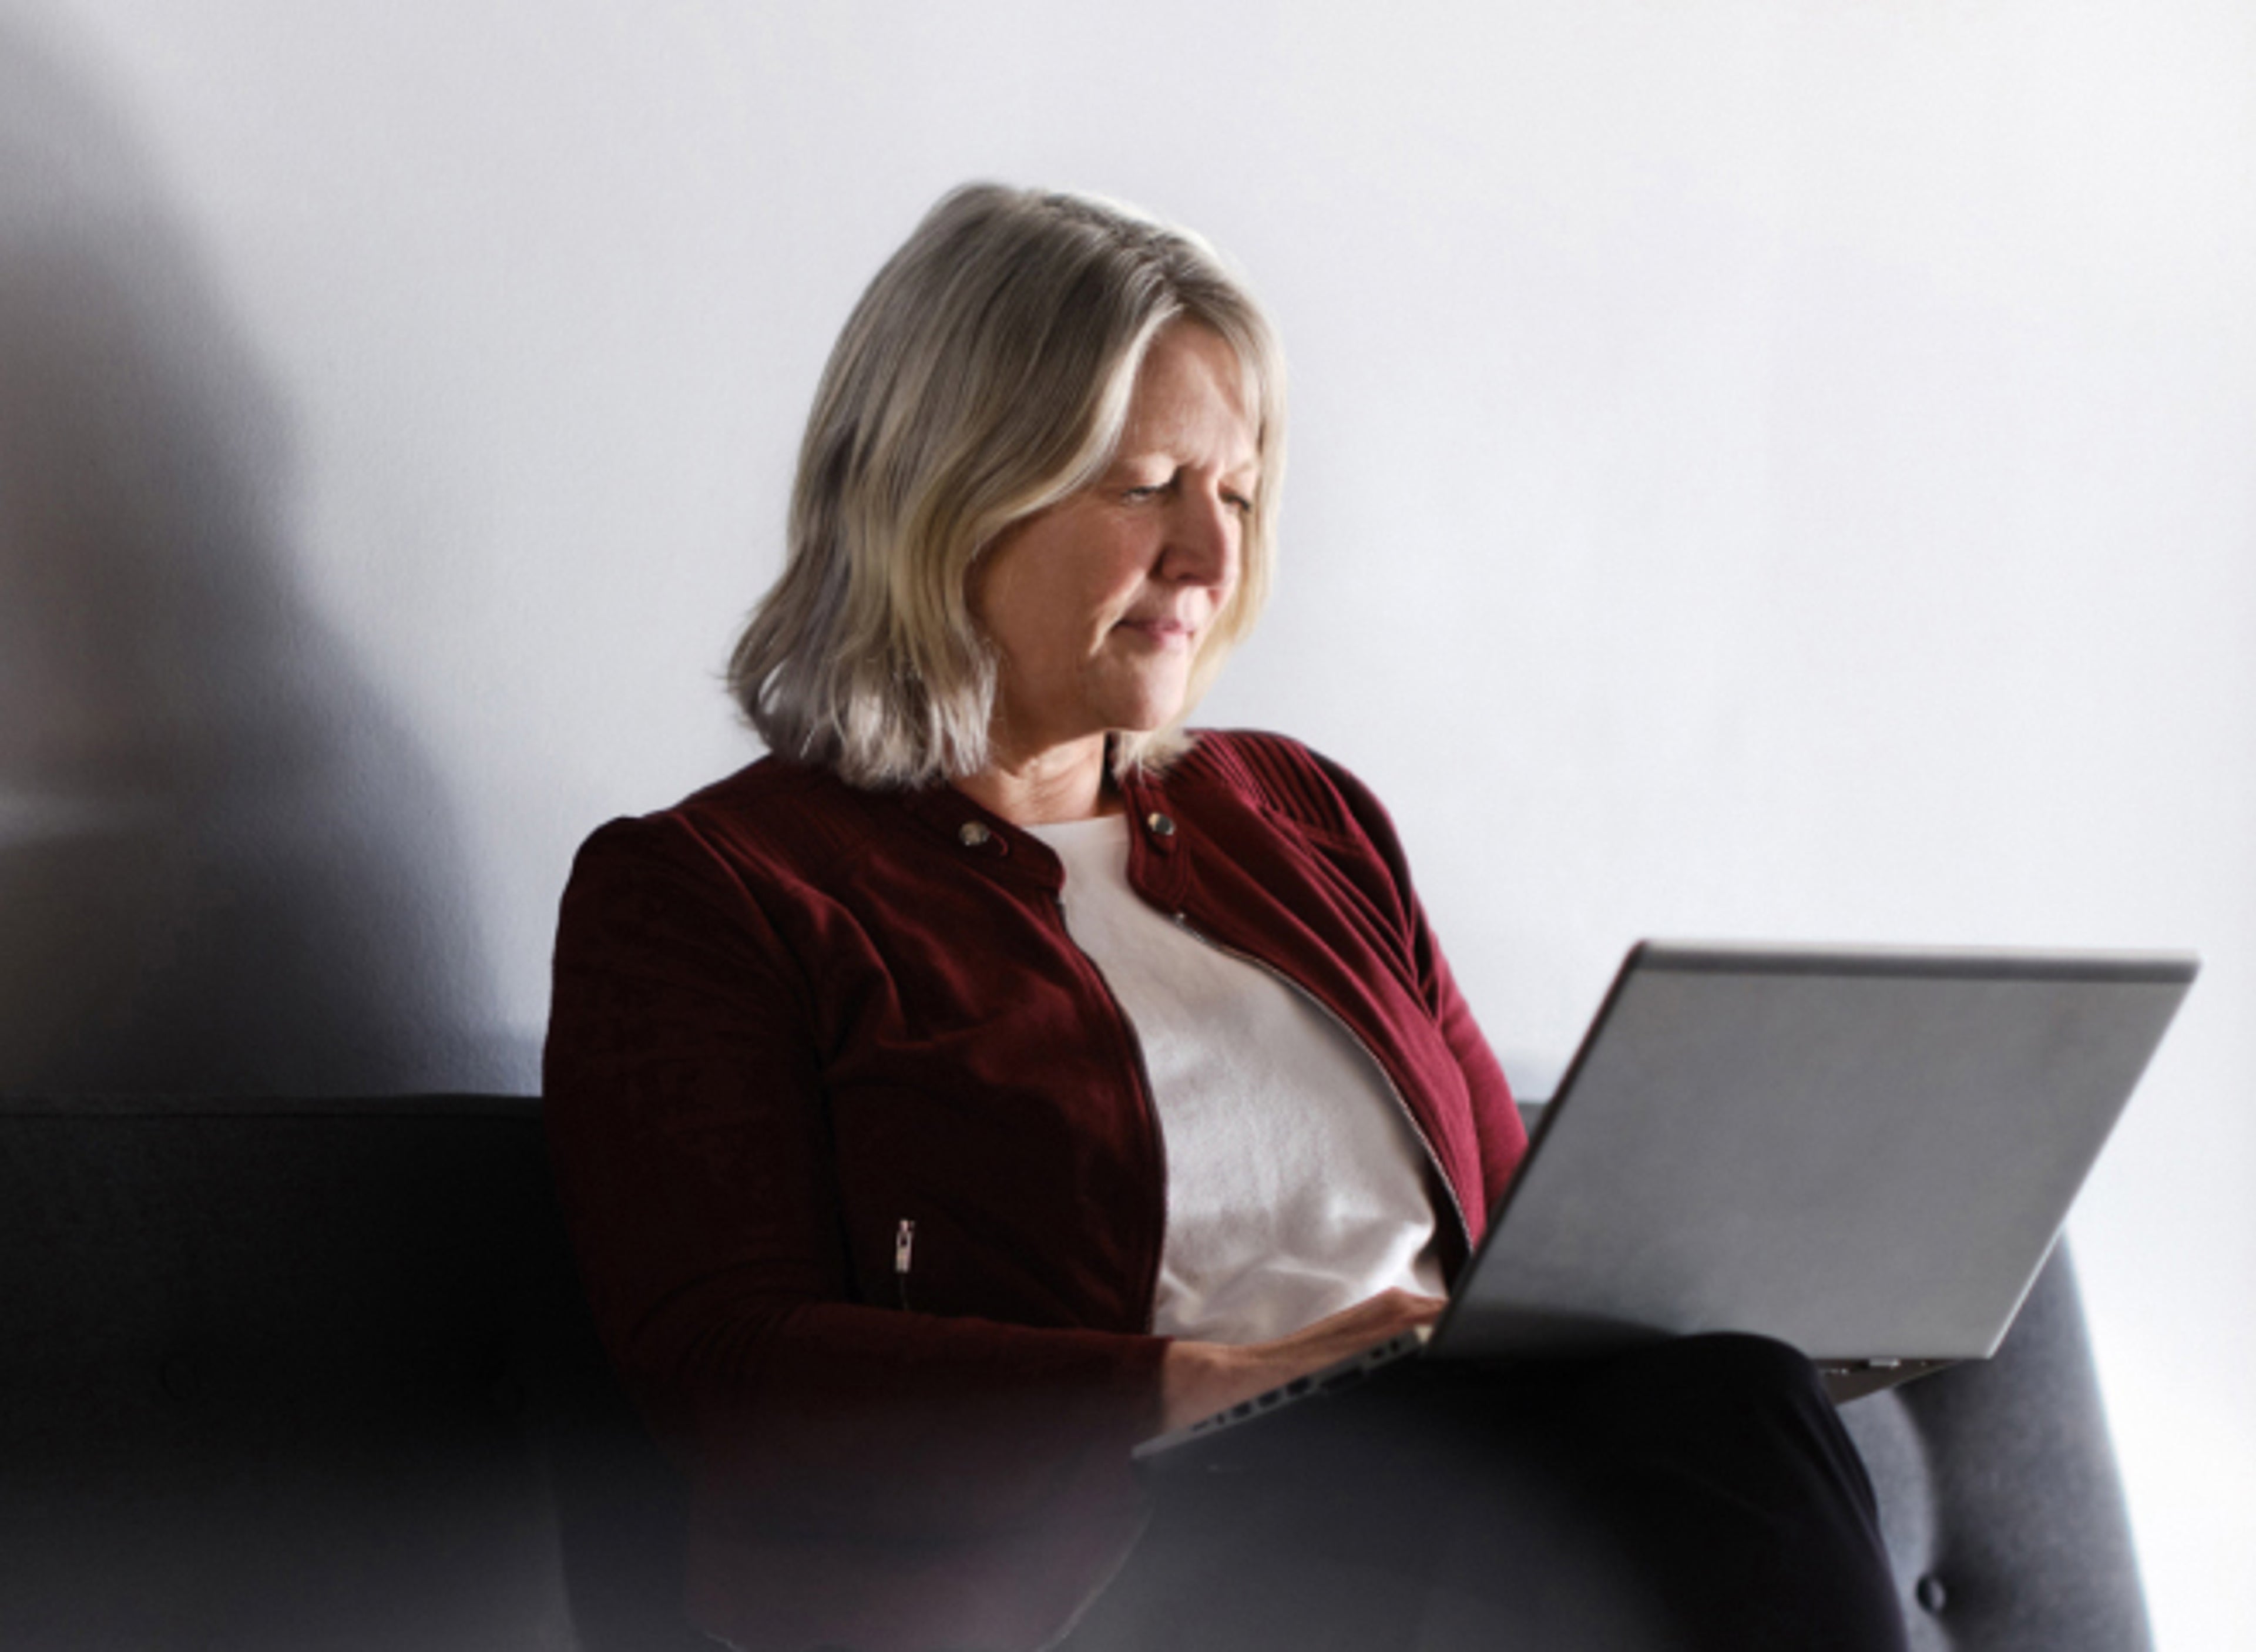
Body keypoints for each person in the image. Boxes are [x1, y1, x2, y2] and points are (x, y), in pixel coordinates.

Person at [543, 183, 1908, 1652]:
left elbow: (1522, 1261)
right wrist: (1192, 1383)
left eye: (1238, 494)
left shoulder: (1306, 819)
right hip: (1111, 1568)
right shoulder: (713, 888)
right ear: (948, 486)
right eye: (1145, 485)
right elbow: (728, 1369)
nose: (1211, 557)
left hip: (1470, 1511)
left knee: (1727, 1392)